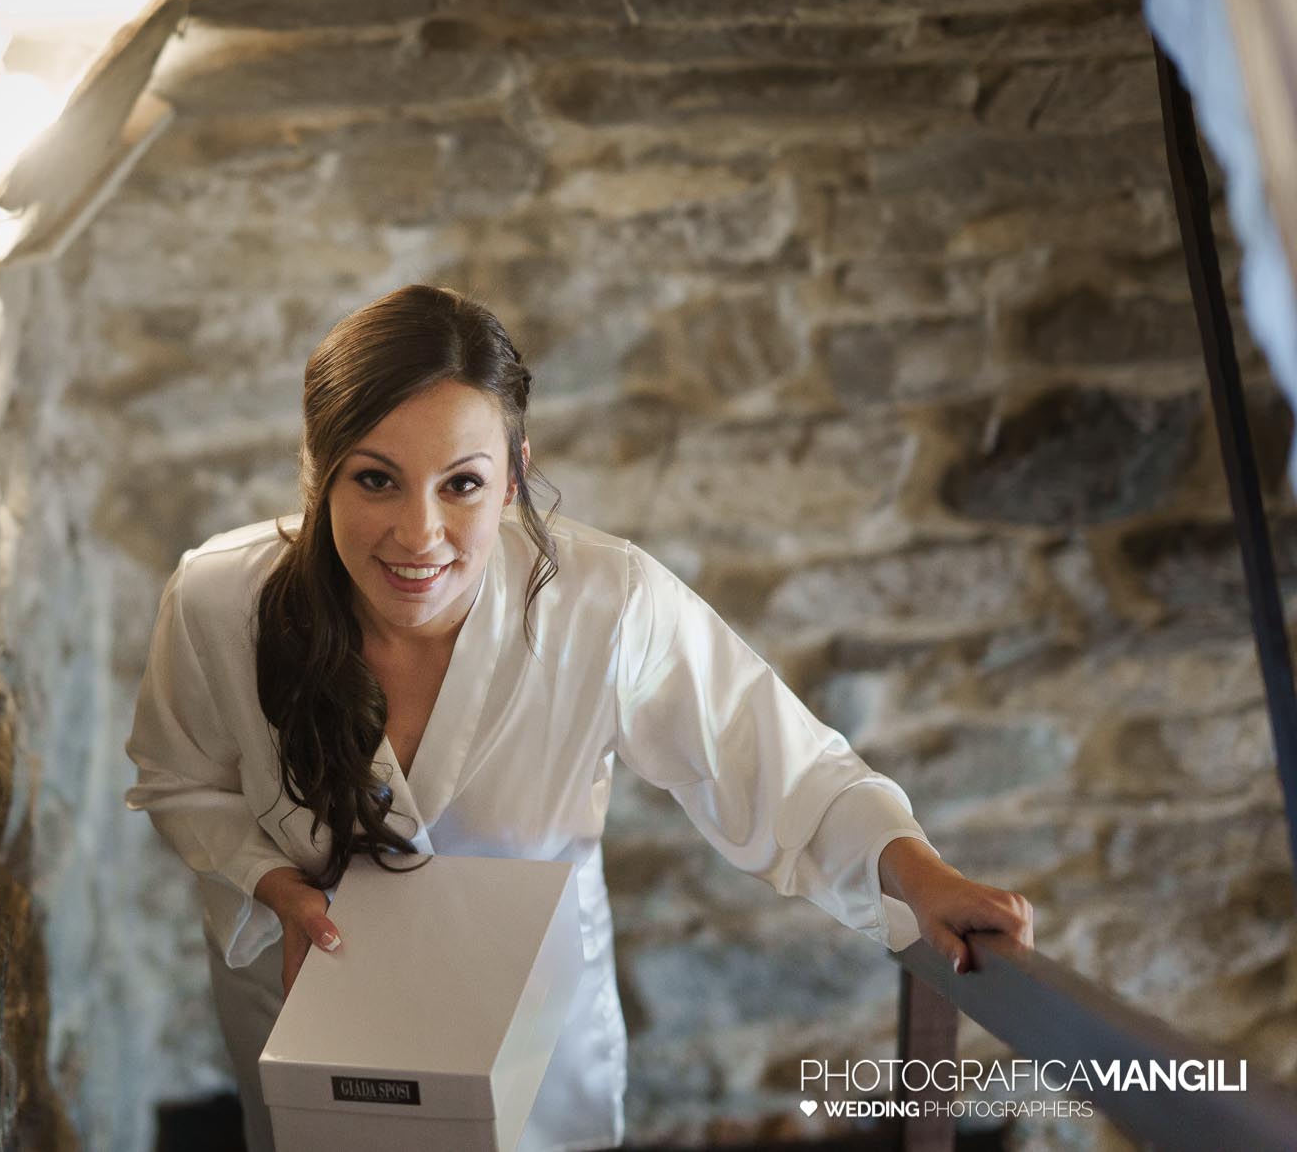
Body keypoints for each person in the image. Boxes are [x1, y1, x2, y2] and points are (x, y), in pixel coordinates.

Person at [123, 283, 1034, 1152]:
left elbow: (781, 768)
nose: (418, 534)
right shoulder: (217, 600)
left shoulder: (608, 602)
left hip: (535, 1059)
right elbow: (181, 778)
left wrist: (918, 874)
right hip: (305, 1031)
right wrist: (268, 880)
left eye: (462, 484)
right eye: (375, 479)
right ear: (322, 471)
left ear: (514, 475)